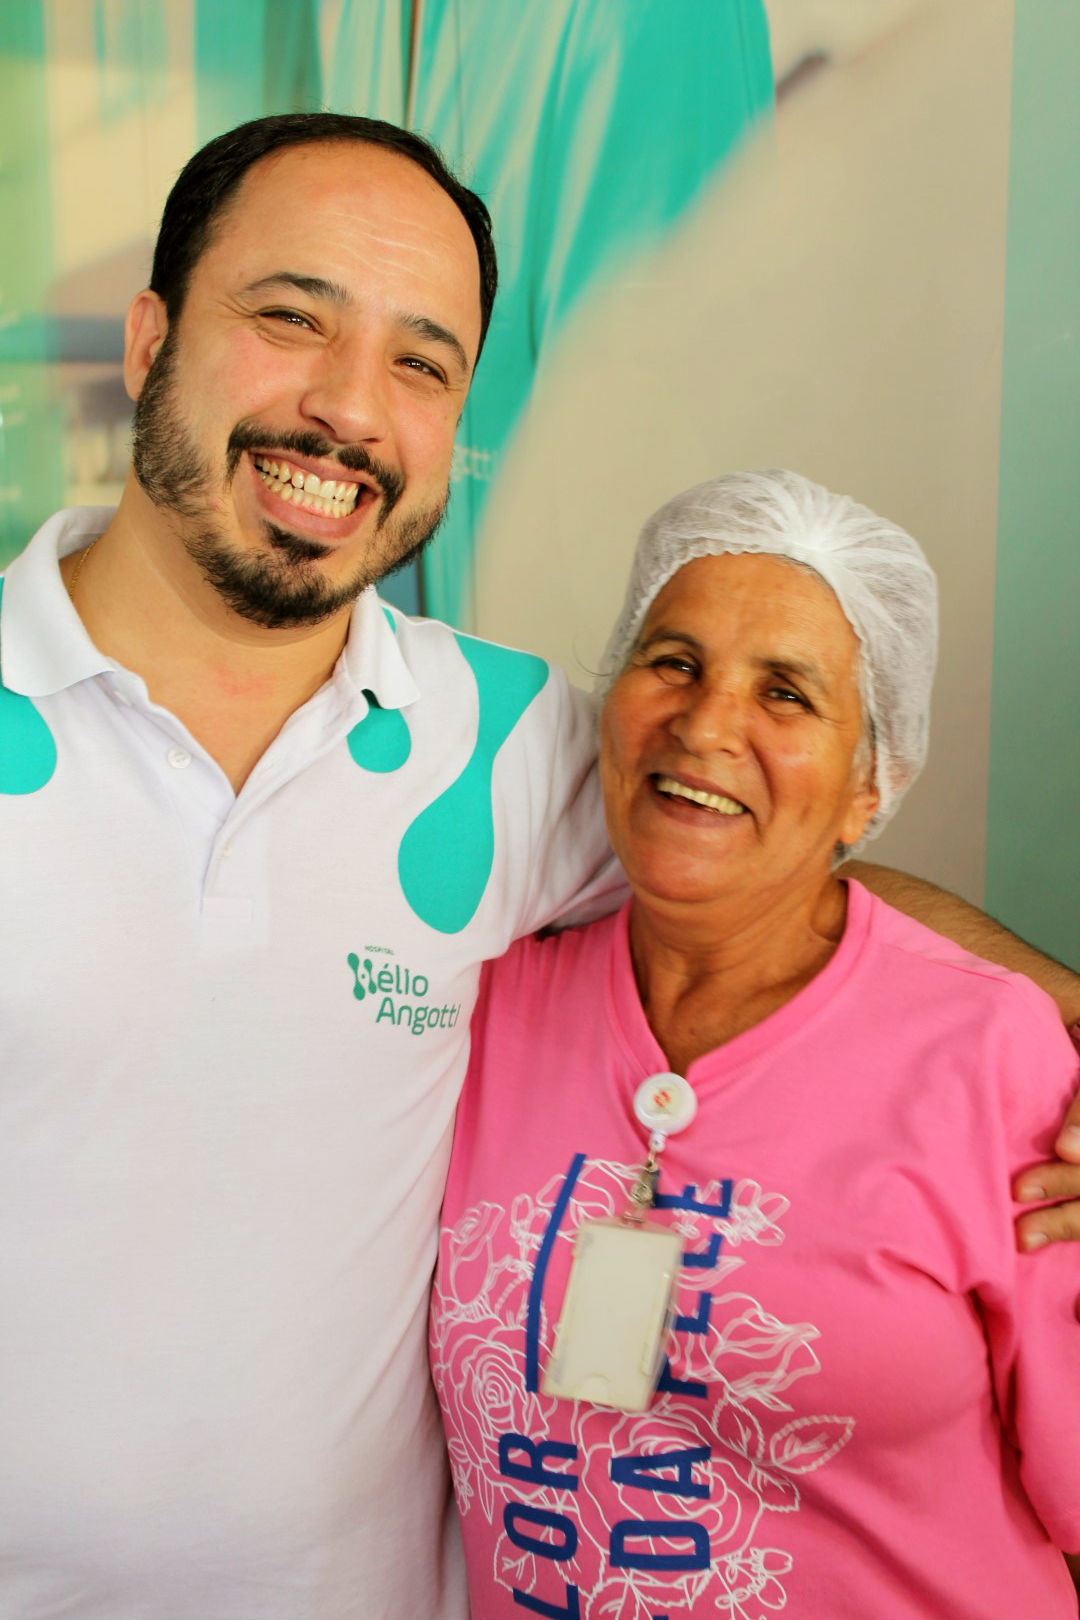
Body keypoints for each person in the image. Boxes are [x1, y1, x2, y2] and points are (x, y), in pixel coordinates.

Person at [0, 114, 1076, 1618]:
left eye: (421, 363)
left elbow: (752, 854)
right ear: (149, 338)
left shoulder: (502, 744)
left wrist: (1065, 1023)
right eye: (291, 317)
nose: (347, 408)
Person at [431, 470, 1080, 1619]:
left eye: (786, 693)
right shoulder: (479, 1004)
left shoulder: (993, 1056)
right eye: (674, 661)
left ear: (871, 784)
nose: (705, 723)